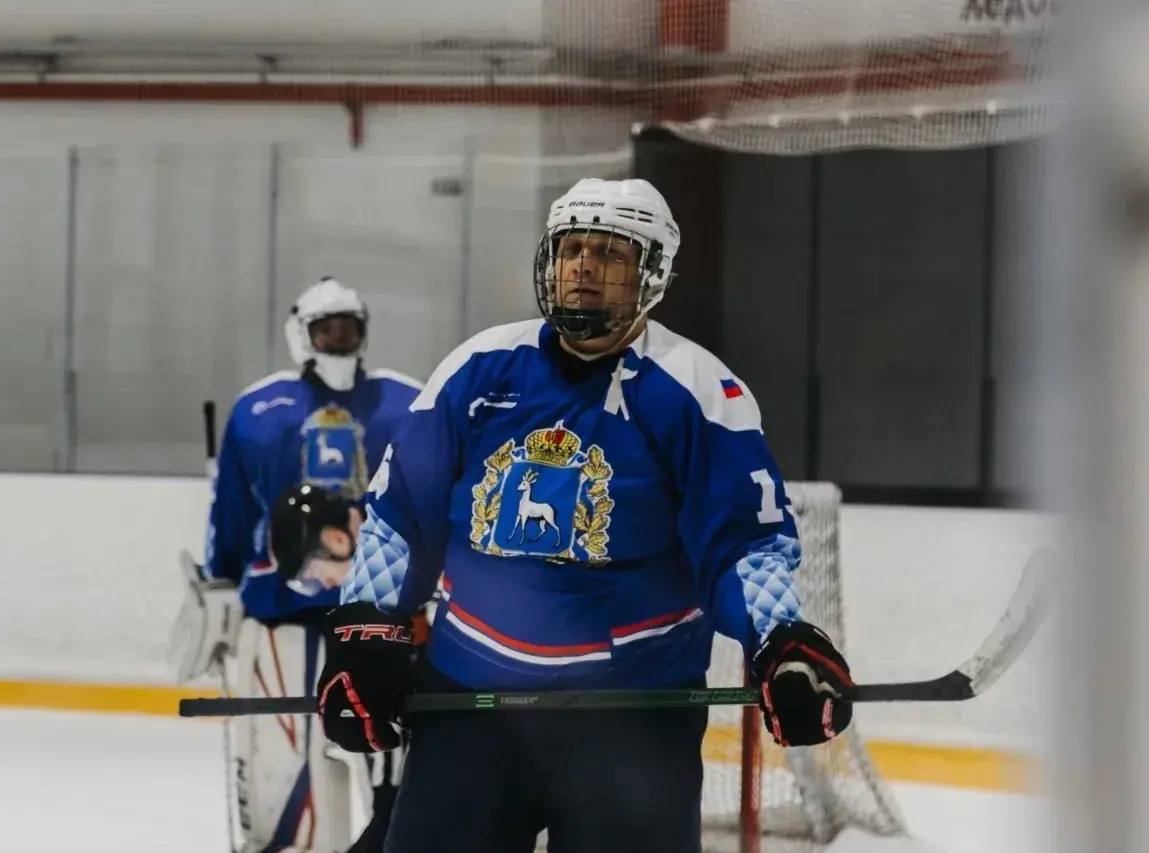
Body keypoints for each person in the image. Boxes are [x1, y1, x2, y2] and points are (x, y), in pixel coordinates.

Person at [315, 179, 855, 852]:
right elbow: (401, 515)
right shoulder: (478, 368)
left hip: (633, 717)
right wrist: (365, 628)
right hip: (471, 705)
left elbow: (743, 543)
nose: (584, 268)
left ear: (652, 274)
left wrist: (780, 639)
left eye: (610, 255)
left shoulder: (698, 390)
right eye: (572, 250)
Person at [171, 277, 420, 852]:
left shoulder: (406, 402)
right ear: (301, 334)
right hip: (286, 619)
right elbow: (232, 514)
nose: (338, 339)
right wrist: (224, 581)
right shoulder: (260, 409)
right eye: (326, 329)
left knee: (394, 785)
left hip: (378, 620)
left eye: (347, 328)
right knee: (282, 782)